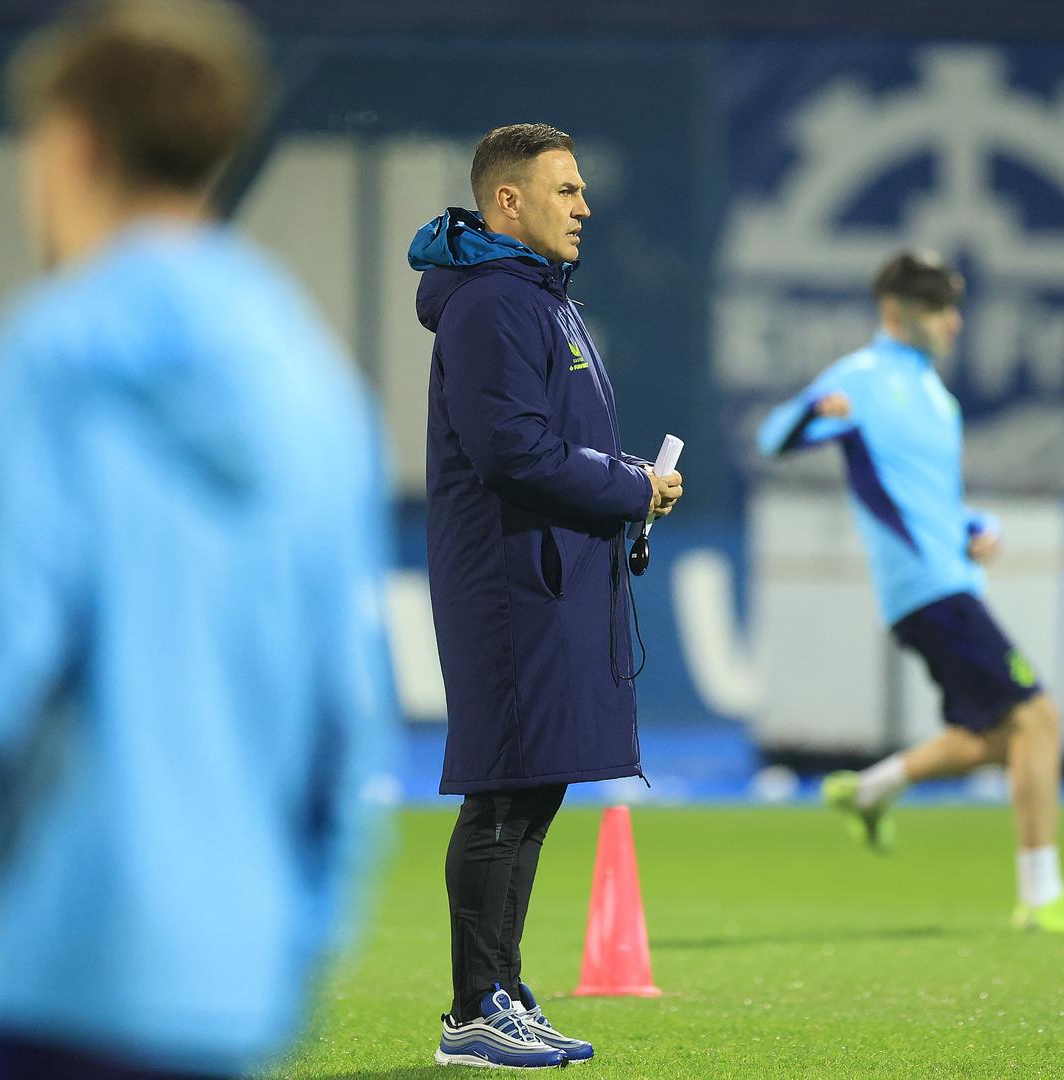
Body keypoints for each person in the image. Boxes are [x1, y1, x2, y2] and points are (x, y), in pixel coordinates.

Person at [0, 3, 396, 1077]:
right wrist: (307, 924)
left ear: (74, 143)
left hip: (65, 953)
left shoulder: (54, 351)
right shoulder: (315, 380)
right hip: (231, 969)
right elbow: (343, 693)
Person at [409, 123, 682, 1069]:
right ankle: (474, 1011)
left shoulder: (533, 298)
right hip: (509, 582)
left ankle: (500, 994)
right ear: (508, 201)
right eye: (565, 190)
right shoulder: (494, 303)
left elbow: (549, 440)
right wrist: (628, 486)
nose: (584, 208)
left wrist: (630, 478)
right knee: (505, 790)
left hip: (543, 576)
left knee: (530, 787)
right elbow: (511, 452)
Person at [757, 250, 1064, 934]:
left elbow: (932, 501)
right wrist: (810, 410)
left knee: (1004, 736)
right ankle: (1041, 896)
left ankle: (872, 789)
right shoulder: (861, 377)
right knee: (1040, 720)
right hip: (926, 588)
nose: (953, 321)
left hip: (951, 579)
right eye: (936, 308)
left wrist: (976, 526)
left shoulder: (935, 396)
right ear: (896, 311)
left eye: (954, 307)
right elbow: (773, 438)